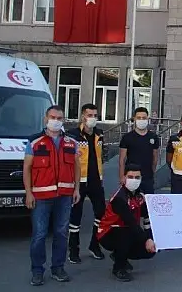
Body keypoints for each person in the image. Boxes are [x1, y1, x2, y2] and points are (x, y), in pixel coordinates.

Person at [23, 105, 82, 286]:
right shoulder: (34, 142)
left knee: (61, 233)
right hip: (41, 197)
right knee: (39, 235)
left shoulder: (71, 142)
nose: (55, 121)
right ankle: (37, 271)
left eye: (59, 118)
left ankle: (58, 268)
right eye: (52, 117)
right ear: (45, 119)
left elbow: (77, 167)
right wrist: (28, 193)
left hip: (64, 196)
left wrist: (77, 189)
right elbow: (27, 168)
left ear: (63, 121)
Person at [97, 164, 156, 282]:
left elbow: (146, 218)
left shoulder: (140, 196)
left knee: (150, 250)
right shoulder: (120, 198)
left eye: (137, 177)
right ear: (124, 178)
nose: (134, 180)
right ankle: (118, 268)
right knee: (125, 231)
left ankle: (119, 256)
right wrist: (146, 240)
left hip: (127, 231)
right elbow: (131, 222)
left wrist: (150, 238)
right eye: (130, 177)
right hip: (107, 234)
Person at [66, 104, 106, 264]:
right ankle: (73, 249)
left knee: (101, 214)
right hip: (79, 181)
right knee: (76, 216)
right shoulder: (72, 135)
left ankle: (94, 245)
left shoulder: (99, 134)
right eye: (89, 115)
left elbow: (100, 156)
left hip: (96, 180)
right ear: (83, 116)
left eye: (95, 115)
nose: (92, 118)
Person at [119, 107, 160, 194]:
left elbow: (155, 158)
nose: (141, 120)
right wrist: (122, 176)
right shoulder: (127, 137)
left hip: (147, 178)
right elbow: (122, 160)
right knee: (130, 204)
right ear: (134, 119)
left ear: (147, 119)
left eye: (144, 118)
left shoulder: (153, 137)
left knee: (147, 204)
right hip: (131, 178)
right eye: (139, 118)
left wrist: (151, 174)